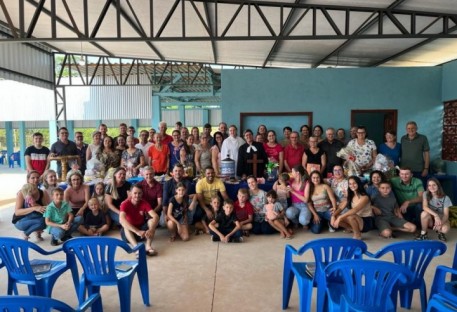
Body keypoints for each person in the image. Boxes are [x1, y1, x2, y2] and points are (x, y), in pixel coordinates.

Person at [119, 184, 159, 256]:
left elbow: (155, 216)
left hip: (142, 231)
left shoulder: (144, 203)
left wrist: (151, 229)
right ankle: (136, 248)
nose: (137, 195)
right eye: (135, 193)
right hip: (129, 234)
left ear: (142, 194)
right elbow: (121, 220)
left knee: (151, 221)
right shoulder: (125, 204)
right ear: (131, 193)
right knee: (125, 225)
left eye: (139, 193)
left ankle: (148, 246)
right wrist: (137, 231)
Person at [331, 176, 374, 240]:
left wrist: (340, 217)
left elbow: (355, 210)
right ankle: (352, 229)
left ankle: (357, 234)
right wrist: (333, 216)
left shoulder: (365, 197)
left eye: (354, 183)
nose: (352, 185)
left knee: (350, 215)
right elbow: (340, 208)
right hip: (356, 219)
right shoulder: (351, 196)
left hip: (366, 222)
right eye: (350, 184)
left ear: (358, 184)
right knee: (337, 216)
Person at [285, 165, 311, 229]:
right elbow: (282, 178)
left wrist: (293, 191)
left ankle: (303, 221)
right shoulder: (291, 181)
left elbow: (306, 200)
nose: (291, 173)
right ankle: (296, 222)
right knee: (288, 213)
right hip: (294, 205)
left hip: (304, 205)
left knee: (303, 221)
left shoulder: (306, 183)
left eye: (292, 171)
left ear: (297, 173)